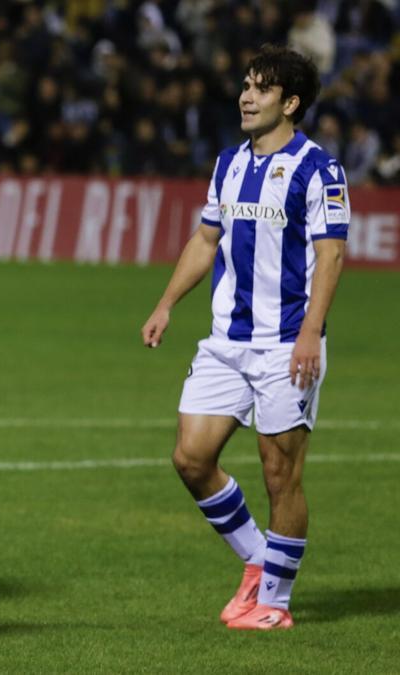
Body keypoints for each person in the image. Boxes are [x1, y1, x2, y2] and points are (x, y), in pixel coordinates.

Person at [140, 45, 347, 631]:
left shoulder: (318, 169)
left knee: (280, 472)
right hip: (226, 340)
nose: (246, 96)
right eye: (246, 84)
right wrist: (165, 303)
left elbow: (331, 256)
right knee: (191, 457)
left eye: (261, 88)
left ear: (291, 103)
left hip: (287, 343)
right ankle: (260, 561)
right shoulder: (229, 163)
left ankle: (274, 604)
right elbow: (206, 240)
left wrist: (310, 334)